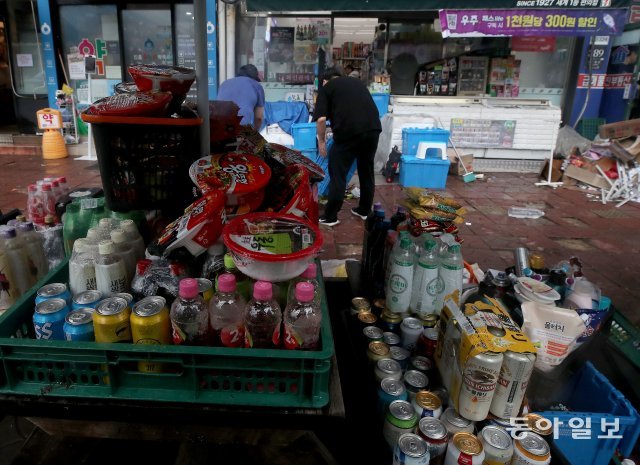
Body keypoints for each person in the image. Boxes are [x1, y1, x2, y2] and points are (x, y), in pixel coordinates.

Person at [313, 67, 382, 227]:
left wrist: (322, 142)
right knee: (366, 170)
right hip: (373, 129)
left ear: (325, 81)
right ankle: (364, 210)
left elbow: (321, 120)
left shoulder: (326, 88)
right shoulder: (356, 83)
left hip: (349, 132)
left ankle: (330, 217)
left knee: (337, 172)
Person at [217, 64, 265, 131]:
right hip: (240, 128)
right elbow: (259, 117)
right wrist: (255, 131)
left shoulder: (224, 83)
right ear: (254, 78)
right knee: (258, 141)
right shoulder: (257, 85)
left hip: (219, 127)